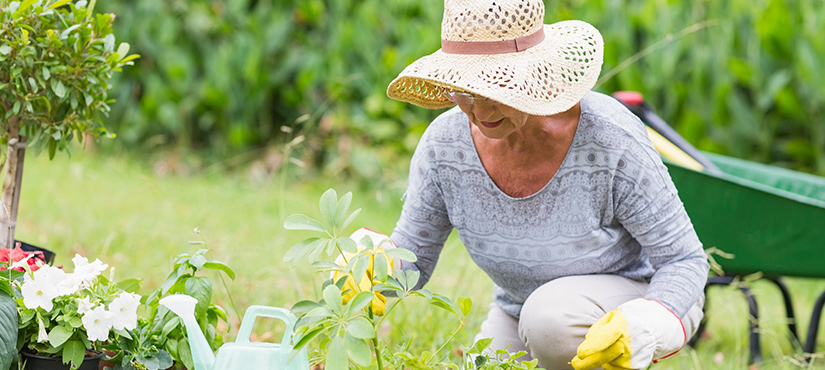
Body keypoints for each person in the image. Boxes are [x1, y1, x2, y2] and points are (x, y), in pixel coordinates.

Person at [379, 0, 710, 369]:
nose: (481, 112)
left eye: (496, 86)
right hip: (518, 310)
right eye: (465, 89)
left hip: (641, 298)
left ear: (535, 72)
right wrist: (369, 266)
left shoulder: (608, 137)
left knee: (549, 321)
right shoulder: (444, 146)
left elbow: (685, 261)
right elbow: (412, 261)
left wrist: (651, 321)